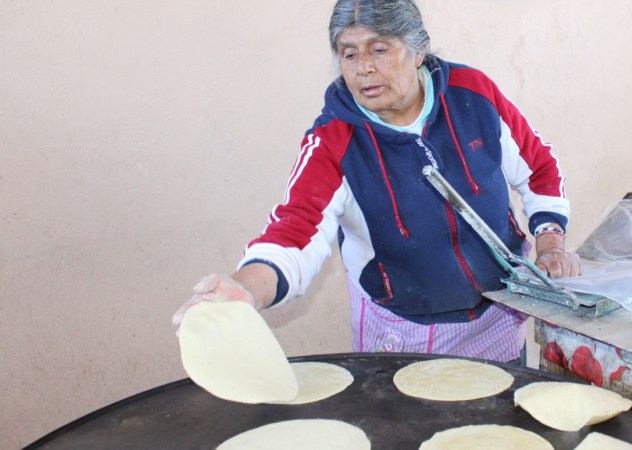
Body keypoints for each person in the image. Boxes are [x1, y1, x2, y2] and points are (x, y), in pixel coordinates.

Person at [172, 0, 581, 364]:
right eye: (349, 54)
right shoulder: (334, 141)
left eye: (379, 49)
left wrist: (549, 242)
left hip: (498, 318)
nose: (363, 67)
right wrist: (245, 290)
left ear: (418, 50)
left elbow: (539, 167)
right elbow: (294, 233)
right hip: (404, 334)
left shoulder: (472, 94)